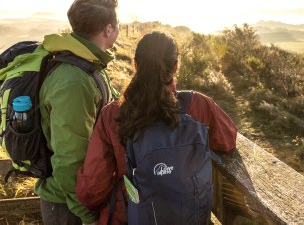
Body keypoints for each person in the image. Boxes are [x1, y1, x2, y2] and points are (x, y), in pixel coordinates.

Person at [76, 31, 237, 225]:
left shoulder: (113, 114)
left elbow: (92, 190)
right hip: (187, 217)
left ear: (135, 64)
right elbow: (228, 140)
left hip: (127, 217)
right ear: (176, 66)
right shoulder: (199, 105)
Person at [36, 0, 120, 225]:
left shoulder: (90, 65)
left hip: (79, 198)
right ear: (108, 29)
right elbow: (69, 160)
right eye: (118, 23)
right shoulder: (74, 80)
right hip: (67, 207)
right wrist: (88, 216)